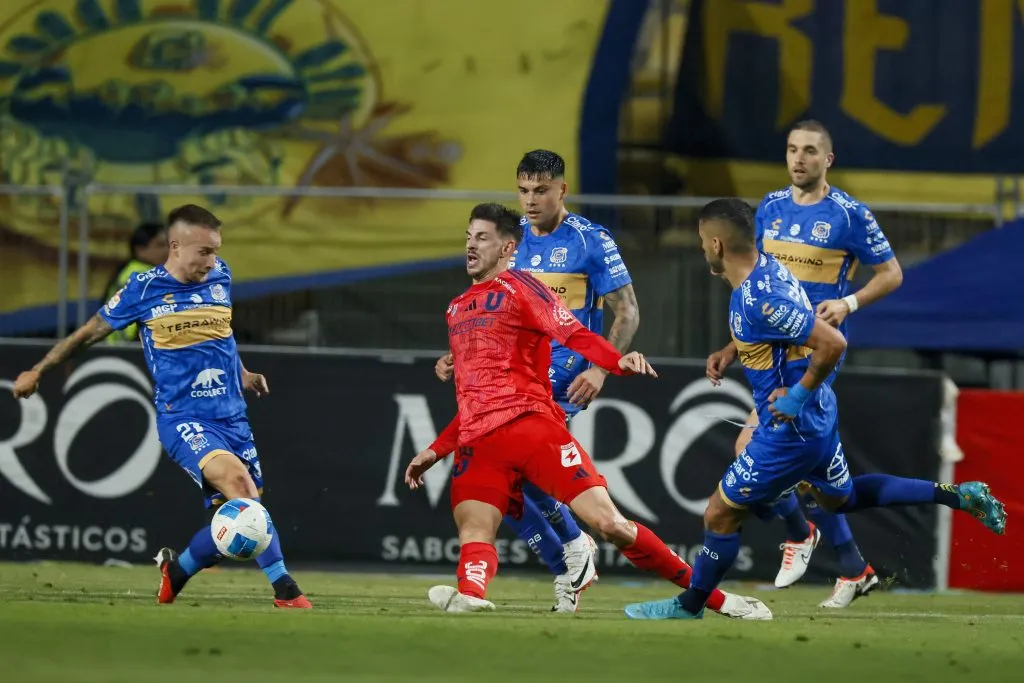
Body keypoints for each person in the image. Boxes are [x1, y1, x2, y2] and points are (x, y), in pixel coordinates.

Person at [624, 198, 1006, 621]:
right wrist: (734, 349)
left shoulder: (758, 298)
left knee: (719, 513)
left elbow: (832, 343)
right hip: (817, 420)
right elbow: (789, 325)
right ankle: (956, 495)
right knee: (840, 499)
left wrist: (795, 395)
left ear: (715, 244)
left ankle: (692, 604)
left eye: (700, 241)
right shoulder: (769, 271)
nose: (700, 249)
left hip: (790, 430)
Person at [407, 202, 771, 620]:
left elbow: (575, 333)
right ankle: (470, 594)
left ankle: (717, 600)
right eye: (468, 237)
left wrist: (615, 362)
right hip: (479, 442)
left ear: (509, 246)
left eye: (482, 238)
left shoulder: (523, 288)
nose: (471, 246)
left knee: (612, 525)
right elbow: (473, 397)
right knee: (473, 529)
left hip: (532, 430)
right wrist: (435, 451)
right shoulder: (456, 309)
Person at [12, 204, 311, 609]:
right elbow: (88, 334)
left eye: (216, 250)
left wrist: (240, 371)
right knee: (244, 496)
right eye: (203, 251)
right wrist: (38, 369)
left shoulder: (220, 275)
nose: (212, 260)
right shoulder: (143, 289)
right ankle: (287, 591)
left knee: (239, 516)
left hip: (234, 417)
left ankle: (178, 571)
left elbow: (220, 332)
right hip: (184, 418)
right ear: (175, 246)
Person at [707, 120, 904, 607]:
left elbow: (892, 274)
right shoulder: (769, 208)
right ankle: (851, 565)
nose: (799, 159)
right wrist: (734, 345)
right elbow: (755, 284)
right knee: (804, 465)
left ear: (827, 160)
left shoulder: (850, 214)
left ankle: (801, 534)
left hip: (817, 352)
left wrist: (849, 304)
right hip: (774, 348)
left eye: (811, 151)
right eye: (793, 149)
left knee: (752, 445)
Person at [434, 149, 639, 612]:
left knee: (511, 474)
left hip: (564, 380)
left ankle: (572, 548)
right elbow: (491, 312)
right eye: (524, 190)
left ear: (561, 190)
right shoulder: (510, 240)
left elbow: (627, 309)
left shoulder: (591, 239)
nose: (530, 200)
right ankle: (571, 553)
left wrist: (602, 367)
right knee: (505, 481)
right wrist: (459, 354)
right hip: (513, 377)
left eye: (541, 191)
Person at [101, 222, 170, 343]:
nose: (167, 251)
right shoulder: (143, 275)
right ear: (140, 249)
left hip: (116, 346)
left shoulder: (128, 270)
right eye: (160, 245)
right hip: (131, 345)